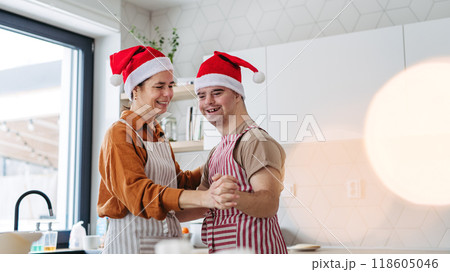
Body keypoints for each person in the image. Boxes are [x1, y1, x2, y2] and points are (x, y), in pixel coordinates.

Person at [97, 46, 239, 254]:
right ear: (136, 89)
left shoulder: (156, 131)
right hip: (131, 245)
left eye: (171, 85)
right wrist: (204, 198)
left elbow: (179, 182)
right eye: (159, 86)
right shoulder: (119, 133)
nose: (168, 93)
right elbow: (139, 194)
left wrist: (217, 157)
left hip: (167, 244)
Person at [194, 51, 288, 254]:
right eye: (201, 95)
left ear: (237, 95)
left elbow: (269, 203)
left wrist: (230, 195)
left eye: (217, 92)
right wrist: (158, 206)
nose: (208, 101)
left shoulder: (255, 140)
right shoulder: (216, 152)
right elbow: (200, 203)